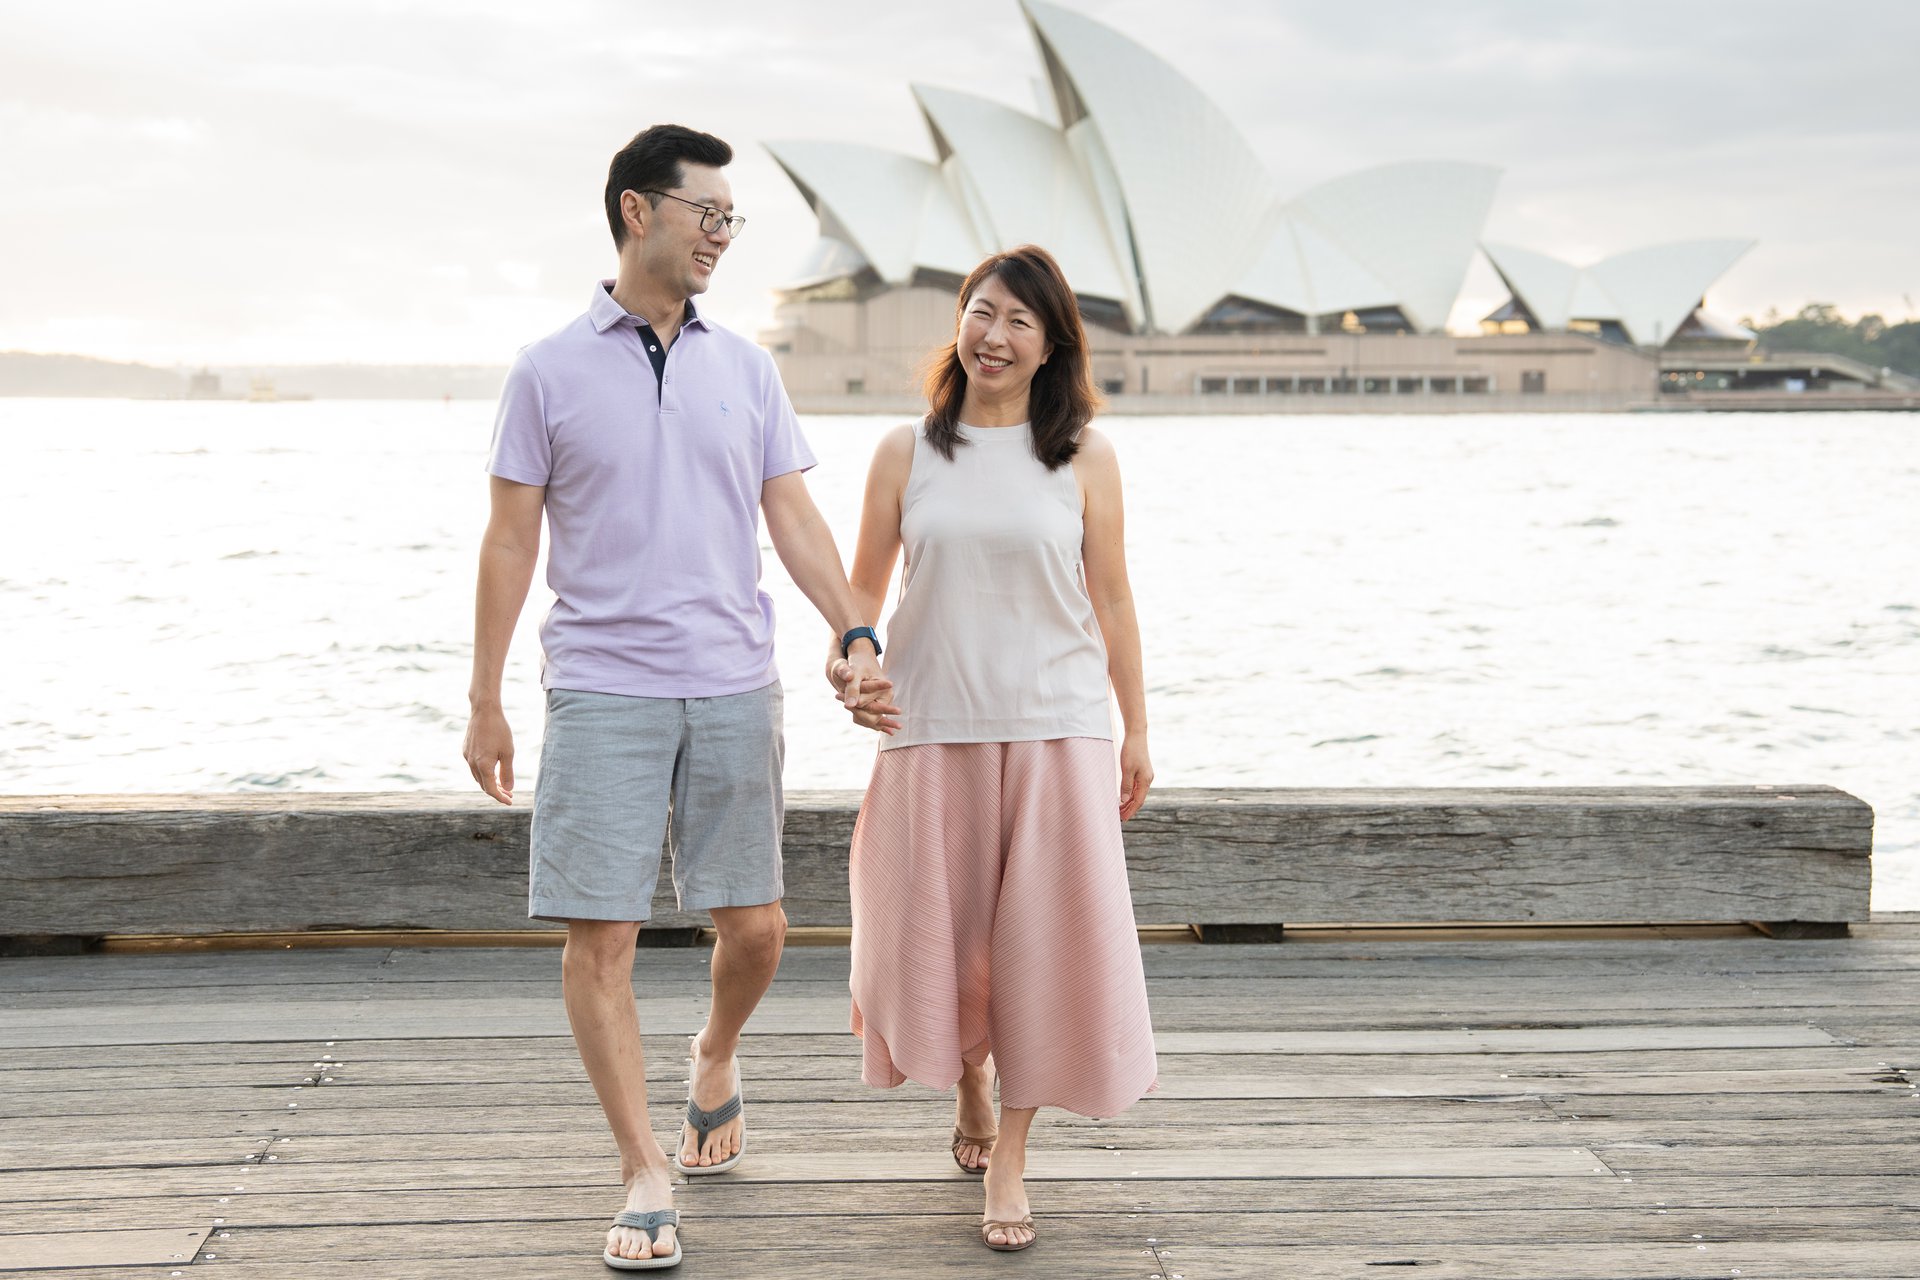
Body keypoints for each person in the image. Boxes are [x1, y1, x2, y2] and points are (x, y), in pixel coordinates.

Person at [463, 123, 884, 1271]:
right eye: (708, 213)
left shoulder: (746, 367)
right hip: (601, 687)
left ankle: (714, 1049)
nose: (722, 236)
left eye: (731, 220)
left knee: (757, 926)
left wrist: (854, 628)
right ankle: (643, 1167)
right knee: (599, 937)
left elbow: (792, 514)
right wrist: (486, 696)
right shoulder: (547, 369)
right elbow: (509, 541)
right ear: (637, 210)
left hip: (734, 681)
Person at [829, 245, 1159, 1252]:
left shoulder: (1085, 456)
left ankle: (1011, 1152)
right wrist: (852, 658)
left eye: (1020, 320)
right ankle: (968, 1074)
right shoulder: (906, 451)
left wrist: (1137, 727)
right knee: (935, 932)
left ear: (1052, 344)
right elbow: (861, 593)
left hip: (1057, 726)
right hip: (932, 725)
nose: (995, 334)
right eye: (982, 310)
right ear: (959, 321)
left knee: (1042, 944)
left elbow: (1112, 599)